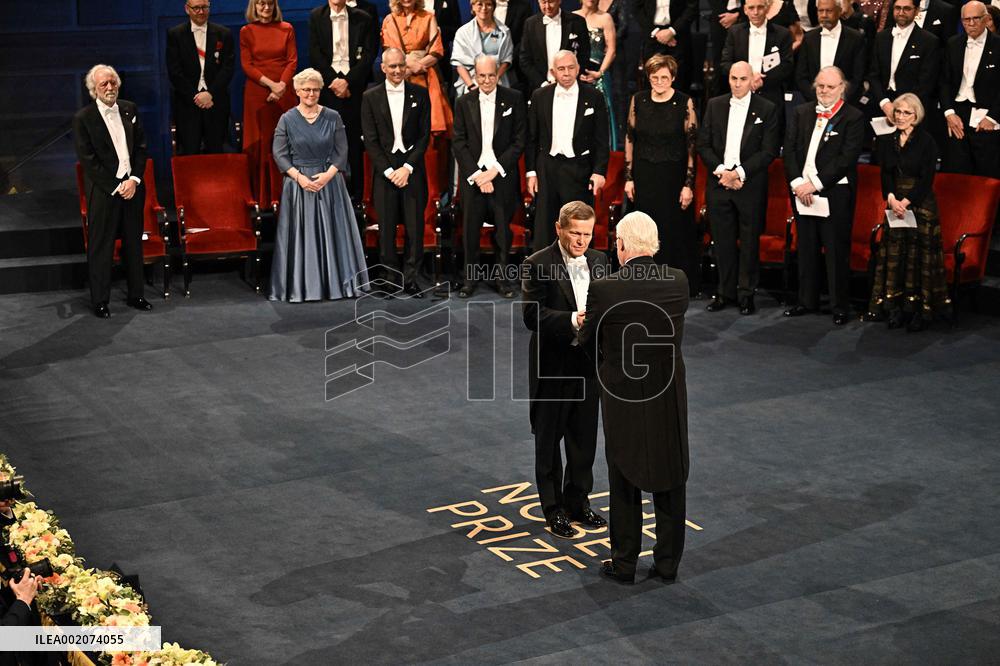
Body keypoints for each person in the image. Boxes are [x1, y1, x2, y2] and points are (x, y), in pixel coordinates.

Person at [578, 211, 690, 585]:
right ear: (654, 244)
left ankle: (625, 563)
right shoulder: (678, 281)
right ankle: (668, 563)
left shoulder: (605, 288)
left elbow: (587, 340)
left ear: (622, 245)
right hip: (667, 392)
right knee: (670, 471)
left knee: (624, 474)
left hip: (622, 394)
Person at [522, 201, 609, 540]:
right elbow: (532, 316)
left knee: (583, 439)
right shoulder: (537, 264)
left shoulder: (600, 261)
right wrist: (573, 319)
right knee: (548, 440)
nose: (581, 241)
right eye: (575, 233)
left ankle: (578, 502)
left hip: (587, 364)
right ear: (559, 229)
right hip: (552, 365)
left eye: (587, 234)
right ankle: (553, 508)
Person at [268, 69, 367, 302]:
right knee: (302, 237)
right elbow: (279, 154)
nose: (311, 94)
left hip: (330, 183)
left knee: (334, 236)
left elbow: (342, 150)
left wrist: (328, 175)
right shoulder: (287, 119)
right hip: (298, 185)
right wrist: (300, 178)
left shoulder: (333, 116)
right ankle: (302, 287)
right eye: (306, 90)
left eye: (315, 90)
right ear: (297, 91)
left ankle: (336, 286)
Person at [783, 66, 865, 325]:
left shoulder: (853, 117)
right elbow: (789, 150)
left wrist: (814, 185)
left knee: (835, 250)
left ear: (842, 88)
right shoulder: (801, 112)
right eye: (820, 86)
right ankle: (806, 300)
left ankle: (839, 306)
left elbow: (846, 159)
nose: (824, 91)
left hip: (834, 192)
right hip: (801, 191)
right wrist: (798, 183)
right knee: (806, 248)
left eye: (830, 86)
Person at [698, 61, 780, 315]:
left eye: (743, 79)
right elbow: (703, 145)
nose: (737, 84)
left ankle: (746, 294)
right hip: (719, 183)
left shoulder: (767, 108)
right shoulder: (715, 105)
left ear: (752, 80)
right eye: (733, 78)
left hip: (750, 185)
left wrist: (738, 173)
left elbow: (768, 151)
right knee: (722, 242)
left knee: (749, 243)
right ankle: (724, 293)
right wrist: (723, 172)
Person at [864, 93, 951, 331]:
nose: (900, 117)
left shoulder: (927, 141)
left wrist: (907, 201)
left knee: (917, 257)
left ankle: (919, 311)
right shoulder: (886, 140)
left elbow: (927, 178)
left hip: (920, 204)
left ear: (916, 115)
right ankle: (894, 308)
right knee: (896, 255)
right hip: (895, 204)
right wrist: (891, 198)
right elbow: (886, 173)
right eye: (897, 112)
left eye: (906, 113)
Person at [73, 65, 153, 319]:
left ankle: (136, 295)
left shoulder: (130, 109)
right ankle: (100, 300)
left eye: (112, 82)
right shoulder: (83, 118)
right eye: (103, 84)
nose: (109, 88)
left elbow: (141, 148)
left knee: (133, 243)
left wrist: (135, 180)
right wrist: (116, 185)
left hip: (132, 188)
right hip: (104, 191)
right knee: (101, 246)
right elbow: (89, 161)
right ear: (93, 90)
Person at [623, 54, 701, 295]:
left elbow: (692, 146)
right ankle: (645, 283)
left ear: (673, 77)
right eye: (654, 77)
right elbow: (630, 139)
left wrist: (688, 184)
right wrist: (629, 178)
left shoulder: (684, 102)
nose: (659, 82)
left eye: (664, 77)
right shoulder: (638, 100)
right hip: (644, 176)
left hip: (673, 178)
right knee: (644, 231)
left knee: (673, 230)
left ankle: (673, 285)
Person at [452, 56, 526, 298]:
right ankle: (469, 280)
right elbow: (459, 142)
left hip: (502, 176)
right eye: (482, 76)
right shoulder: (463, 102)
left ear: (498, 75)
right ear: (475, 76)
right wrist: (477, 175)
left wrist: (494, 171)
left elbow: (519, 141)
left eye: (491, 75)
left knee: (503, 232)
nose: (486, 80)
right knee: (470, 231)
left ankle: (502, 281)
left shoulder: (514, 98)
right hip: (473, 177)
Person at [361, 49, 433, 297]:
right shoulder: (370, 97)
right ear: (383, 68)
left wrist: (407, 168)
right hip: (385, 173)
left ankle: (411, 279)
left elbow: (424, 136)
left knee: (415, 228)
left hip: (412, 171)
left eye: (401, 65)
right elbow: (370, 140)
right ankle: (391, 278)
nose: (397, 70)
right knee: (387, 229)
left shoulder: (420, 94)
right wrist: (390, 171)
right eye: (392, 66)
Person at [309, 0, 376, 202]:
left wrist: (348, 81)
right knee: (328, 141)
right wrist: (334, 81)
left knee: (355, 141)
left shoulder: (363, 18)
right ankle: (330, 193)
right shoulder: (316, 16)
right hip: (328, 87)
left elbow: (369, 54)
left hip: (354, 87)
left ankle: (358, 196)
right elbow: (315, 53)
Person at [240, 0, 297, 208]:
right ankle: (261, 197)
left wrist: (281, 86)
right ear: (254, 7)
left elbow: (292, 61)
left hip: (284, 90)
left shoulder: (286, 28)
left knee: (286, 141)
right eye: (261, 4)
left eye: (270, 4)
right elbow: (247, 65)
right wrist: (272, 85)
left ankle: (289, 194)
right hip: (258, 91)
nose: (266, 8)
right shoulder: (246, 31)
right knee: (260, 142)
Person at [166, 0, 235, 154]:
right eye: (196, 8)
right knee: (189, 154)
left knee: (217, 153)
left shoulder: (224, 33)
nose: (201, 12)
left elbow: (228, 68)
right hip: (187, 104)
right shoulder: (175, 34)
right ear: (187, 9)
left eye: (204, 7)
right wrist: (196, 97)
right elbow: (174, 72)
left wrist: (210, 94)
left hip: (215, 102)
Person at [939, 1, 1000, 178]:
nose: (971, 24)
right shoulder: (953, 43)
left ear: (986, 19)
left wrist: (992, 117)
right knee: (955, 171)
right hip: (957, 116)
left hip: (986, 117)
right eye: (966, 20)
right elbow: (944, 81)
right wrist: (949, 113)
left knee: (986, 174)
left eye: (976, 19)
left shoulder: (998, 45)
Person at [381, 0, 453, 137]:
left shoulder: (429, 17)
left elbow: (437, 51)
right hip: (399, 75)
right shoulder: (389, 20)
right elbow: (389, 51)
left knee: (427, 124)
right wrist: (408, 66)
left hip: (426, 75)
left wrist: (416, 67)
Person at [719, 0, 795, 124]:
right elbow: (725, 64)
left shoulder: (782, 34)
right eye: (751, 8)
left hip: (771, 96)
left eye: (760, 7)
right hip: (740, 96)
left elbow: (787, 66)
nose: (755, 12)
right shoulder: (734, 32)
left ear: (767, 8)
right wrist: (745, 78)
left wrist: (762, 80)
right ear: (745, 10)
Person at [867, 0, 939, 124]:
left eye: (907, 8)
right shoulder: (881, 37)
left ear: (916, 11)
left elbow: (926, 81)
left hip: (912, 109)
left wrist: (904, 108)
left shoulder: (929, 41)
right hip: (881, 104)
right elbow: (873, 74)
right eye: (897, 8)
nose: (901, 12)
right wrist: (884, 103)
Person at [794, 0, 866, 105]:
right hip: (814, 103)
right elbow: (801, 75)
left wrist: (840, 99)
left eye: (829, 11)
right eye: (820, 11)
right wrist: (817, 99)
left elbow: (858, 77)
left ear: (839, 11)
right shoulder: (809, 38)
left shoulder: (855, 38)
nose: (824, 15)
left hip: (846, 104)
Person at [518, 0, 591, 92]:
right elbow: (525, 59)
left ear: (559, 1)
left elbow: (584, 54)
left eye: (551, 2)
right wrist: (543, 84)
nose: (547, 6)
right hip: (540, 88)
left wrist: (570, 78)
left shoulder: (577, 21)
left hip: (571, 86)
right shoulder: (530, 24)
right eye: (543, 2)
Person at [574, 0, 618, 149]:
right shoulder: (572, 17)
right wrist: (574, 73)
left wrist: (600, 73)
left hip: (599, 75)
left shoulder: (605, 18)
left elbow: (611, 50)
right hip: (575, 76)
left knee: (601, 114)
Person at [451, 0, 515, 97]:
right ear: (473, 7)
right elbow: (459, 64)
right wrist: (471, 86)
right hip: (470, 85)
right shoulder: (462, 32)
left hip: (498, 84)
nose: (484, 8)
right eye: (480, 4)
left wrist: (494, 81)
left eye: (488, 4)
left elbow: (506, 60)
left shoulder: (504, 32)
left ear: (493, 7)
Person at [637, 0, 699, 92]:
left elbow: (692, 7)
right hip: (652, 36)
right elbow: (637, 8)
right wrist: (656, 33)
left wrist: (672, 31)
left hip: (679, 37)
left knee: (680, 80)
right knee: (652, 80)